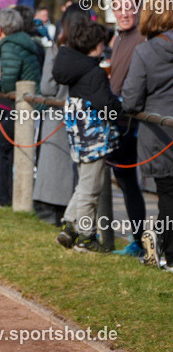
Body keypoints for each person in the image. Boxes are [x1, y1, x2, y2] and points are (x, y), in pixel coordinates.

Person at [53, 18, 122, 253]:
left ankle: (70, 226)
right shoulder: (93, 73)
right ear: (96, 45)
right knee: (91, 189)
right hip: (93, 140)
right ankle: (86, 237)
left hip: (80, 138)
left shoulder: (76, 69)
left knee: (84, 184)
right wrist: (119, 106)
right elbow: (106, 105)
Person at [122, 0, 173, 270]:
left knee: (167, 195)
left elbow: (131, 99)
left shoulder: (145, 51)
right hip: (162, 132)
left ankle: (169, 255)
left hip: (160, 135)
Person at [33, 5, 90, 225]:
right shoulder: (90, 51)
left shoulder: (56, 50)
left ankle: (50, 215)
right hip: (82, 117)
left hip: (57, 116)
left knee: (53, 171)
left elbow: (47, 87)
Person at [0, 7, 44, 207]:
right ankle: (8, 197)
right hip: (29, 106)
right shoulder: (23, 42)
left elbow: (9, 84)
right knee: (6, 149)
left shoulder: (9, 46)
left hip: (24, 108)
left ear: (0, 28)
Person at [107, 0, 149, 257]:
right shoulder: (117, 39)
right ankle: (134, 239)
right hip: (116, 118)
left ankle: (139, 241)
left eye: (129, 7)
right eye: (118, 8)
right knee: (122, 179)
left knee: (130, 180)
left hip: (135, 121)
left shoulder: (143, 38)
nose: (124, 13)